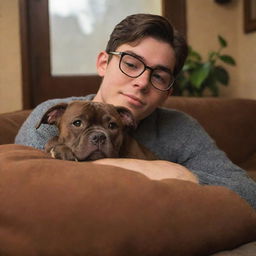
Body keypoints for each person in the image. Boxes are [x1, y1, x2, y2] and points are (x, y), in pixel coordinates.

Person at [15, 13, 256, 209]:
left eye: (159, 76)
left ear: (168, 92)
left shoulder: (182, 129)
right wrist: (143, 168)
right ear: (103, 63)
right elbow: (29, 196)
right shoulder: (55, 116)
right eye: (131, 64)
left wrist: (182, 175)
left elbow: (248, 193)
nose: (142, 82)